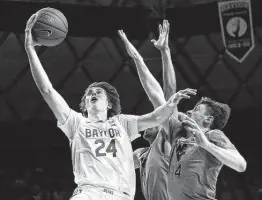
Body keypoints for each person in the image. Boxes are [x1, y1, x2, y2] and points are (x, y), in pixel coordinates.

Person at [24, 14, 197, 200]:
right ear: (84, 105)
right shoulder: (76, 122)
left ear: (109, 104)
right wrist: (30, 49)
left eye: (99, 92)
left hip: (120, 195)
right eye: (89, 93)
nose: (93, 94)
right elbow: (47, 90)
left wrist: (170, 101)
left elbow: (158, 114)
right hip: (88, 193)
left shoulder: (124, 123)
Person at [120, 20, 247, 200]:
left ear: (208, 120)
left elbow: (241, 165)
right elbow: (159, 97)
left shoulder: (213, 136)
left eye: (195, 109)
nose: (188, 112)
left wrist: (207, 145)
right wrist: (148, 57)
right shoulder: (178, 135)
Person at [118, 20, 174, 200]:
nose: (147, 123)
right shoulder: (140, 154)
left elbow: (166, 93)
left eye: (155, 122)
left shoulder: (166, 142)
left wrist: (163, 53)